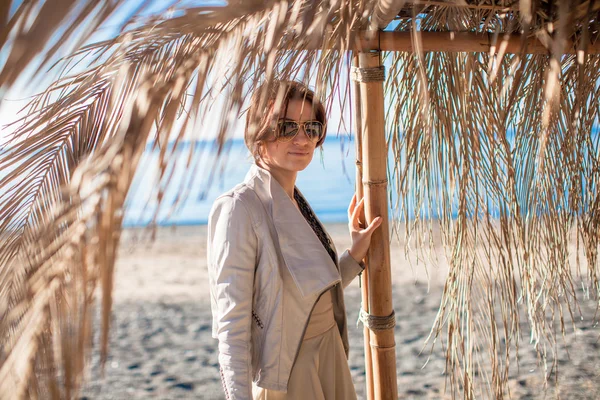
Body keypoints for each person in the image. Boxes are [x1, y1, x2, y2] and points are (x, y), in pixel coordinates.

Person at [207, 80, 382, 400]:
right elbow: (232, 330)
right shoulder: (240, 208)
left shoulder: (294, 201)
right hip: (291, 376)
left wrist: (353, 256)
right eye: (286, 127)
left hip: (330, 360)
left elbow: (302, 295)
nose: (302, 139)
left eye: (311, 127)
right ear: (259, 132)